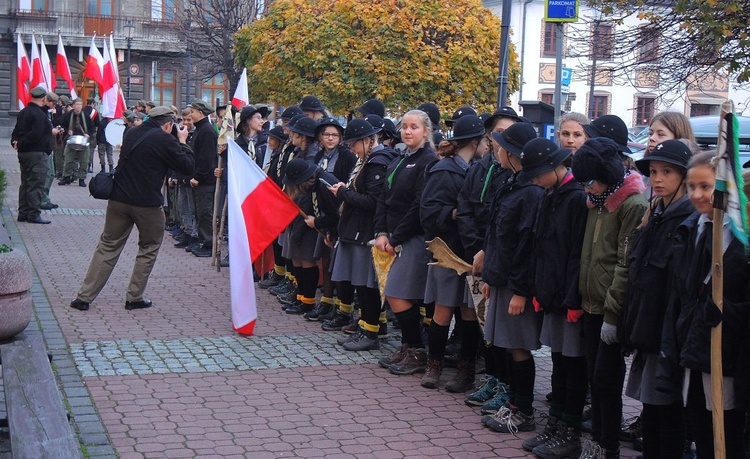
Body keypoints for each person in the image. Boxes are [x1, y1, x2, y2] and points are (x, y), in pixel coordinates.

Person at [658, 151, 750, 459]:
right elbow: (681, 293)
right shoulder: (693, 228)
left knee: (727, 432)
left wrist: (728, 312)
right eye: (692, 186)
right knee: (699, 427)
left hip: (728, 356)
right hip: (694, 347)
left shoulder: (743, 236)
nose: (697, 195)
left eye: (706, 187)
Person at [69, 106, 194, 311]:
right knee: (149, 246)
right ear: (168, 123)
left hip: (119, 199)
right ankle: (134, 297)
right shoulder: (165, 139)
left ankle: (83, 297)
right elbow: (187, 166)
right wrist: (181, 141)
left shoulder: (132, 132)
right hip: (147, 204)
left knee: (108, 245)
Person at [570, 137, 648, 459]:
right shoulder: (597, 202)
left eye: (591, 181)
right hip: (590, 303)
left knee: (606, 380)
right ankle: (598, 438)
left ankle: (608, 445)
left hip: (609, 309)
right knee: (594, 376)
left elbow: (624, 263)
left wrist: (613, 314)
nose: (587, 189)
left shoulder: (631, 205)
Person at [618, 140, 694, 459]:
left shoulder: (686, 223)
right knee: (652, 407)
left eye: (667, 171)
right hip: (649, 332)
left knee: (669, 413)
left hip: (669, 338)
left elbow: (679, 289)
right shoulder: (655, 217)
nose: (658, 178)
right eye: (653, 171)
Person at [518, 138, 588, 458]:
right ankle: (556, 424)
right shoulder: (550, 194)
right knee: (559, 364)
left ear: (554, 168)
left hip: (569, 298)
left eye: (536, 174)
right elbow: (541, 248)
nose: (533, 180)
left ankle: (569, 431)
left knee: (572, 368)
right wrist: (539, 290)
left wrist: (573, 299)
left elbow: (576, 254)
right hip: (551, 295)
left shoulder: (575, 199)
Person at [479, 122, 544, 434]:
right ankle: (514, 403)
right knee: (506, 344)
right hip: (502, 278)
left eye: (502, 146)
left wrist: (519, 290)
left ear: (515, 154)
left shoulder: (530, 192)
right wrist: (489, 270)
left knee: (518, 346)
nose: (497, 149)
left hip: (516, 284)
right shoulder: (513, 183)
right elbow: (498, 234)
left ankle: (523, 411)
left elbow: (525, 246)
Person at [458, 108, 520, 410]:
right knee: (485, 324)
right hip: (478, 256)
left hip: (500, 259)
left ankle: (508, 383)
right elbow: (466, 207)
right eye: (498, 134)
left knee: (502, 327)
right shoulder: (480, 168)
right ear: (489, 137)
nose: (502, 140)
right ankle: (493, 378)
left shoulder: (517, 173)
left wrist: (489, 251)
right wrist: (475, 248)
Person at [419, 115, 485, 392]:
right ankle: (434, 366)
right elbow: (428, 211)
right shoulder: (444, 169)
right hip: (448, 251)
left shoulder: (483, 168)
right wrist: (455, 213)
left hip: (472, 252)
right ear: (475, 141)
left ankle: (465, 371)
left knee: (470, 312)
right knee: (443, 310)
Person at [374, 109, 437, 375]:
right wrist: (380, 232)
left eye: (414, 127)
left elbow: (418, 205)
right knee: (395, 293)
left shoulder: (428, 161)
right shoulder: (400, 158)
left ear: (426, 131)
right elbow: (383, 198)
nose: (407, 132)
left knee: (397, 293)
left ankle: (417, 349)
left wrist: (396, 237)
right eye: (404, 127)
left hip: (413, 237)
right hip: (391, 235)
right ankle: (409, 346)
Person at [326, 119, 395, 349]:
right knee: (362, 284)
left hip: (366, 230)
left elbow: (374, 201)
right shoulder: (366, 160)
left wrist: (343, 193)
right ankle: (367, 327)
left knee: (368, 286)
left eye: (355, 145)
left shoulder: (376, 163)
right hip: (357, 229)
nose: (352, 150)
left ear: (367, 141)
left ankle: (371, 332)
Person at [281, 159, 338, 315]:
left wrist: (320, 224)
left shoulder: (324, 184)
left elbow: (336, 214)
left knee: (311, 263)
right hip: (324, 227)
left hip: (332, 228)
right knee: (300, 262)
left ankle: (311, 302)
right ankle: (303, 299)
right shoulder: (314, 184)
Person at [11, 86, 60, 224]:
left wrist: (16, 141)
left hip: (24, 154)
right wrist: (22, 142)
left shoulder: (24, 112)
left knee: (25, 183)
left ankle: (23, 212)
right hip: (37, 154)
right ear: (44, 98)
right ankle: (33, 214)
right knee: (36, 184)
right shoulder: (39, 115)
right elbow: (36, 134)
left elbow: (16, 130)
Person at [187, 99, 218, 258]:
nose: (190, 114)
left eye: (192, 111)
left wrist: (198, 177)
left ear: (201, 113)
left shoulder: (206, 131)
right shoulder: (201, 129)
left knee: (205, 212)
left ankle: (208, 244)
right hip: (199, 180)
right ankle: (203, 241)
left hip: (205, 182)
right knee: (199, 212)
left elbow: (206, 158)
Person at [60, 97, 94, 187]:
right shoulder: (68, 115)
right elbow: (63, 125)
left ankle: (82, 179)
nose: (79, 107)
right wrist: (68, 130)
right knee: (68, 160)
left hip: (83, 140)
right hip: (71, 140)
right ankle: (66, 177)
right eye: (77, 104)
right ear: (73, 105)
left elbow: (92, 128)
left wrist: (88, 134)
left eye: (80, 105)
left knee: (84, 161)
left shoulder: (86, 116)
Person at [41, 92, 61, 210]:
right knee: (47, 174)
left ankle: (45, 198)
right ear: (46, 100)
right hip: (43, 148)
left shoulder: (47, 113)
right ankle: (43, 200)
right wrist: (51, 131)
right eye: (53, 103)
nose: (54, 106)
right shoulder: (42, 113)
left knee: (51, 174)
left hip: (48, 147)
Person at [83, 97, 100, 173]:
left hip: (83, 132)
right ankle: (88, 166)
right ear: (92, 103)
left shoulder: (82, 110)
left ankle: (81, 166)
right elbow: (97, 123)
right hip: (91, 133)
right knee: (91, 150)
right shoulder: (95, 112)